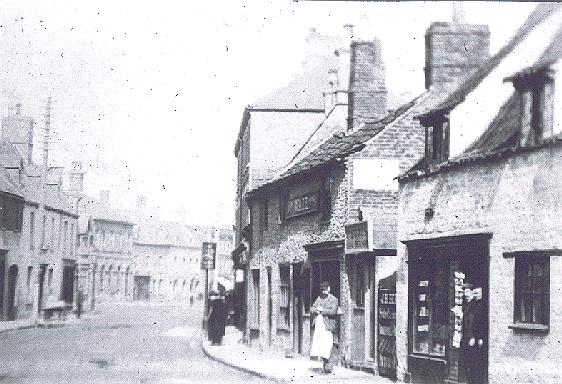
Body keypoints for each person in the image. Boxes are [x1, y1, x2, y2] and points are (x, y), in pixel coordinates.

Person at [310, 281, 339, 374]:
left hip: (328, 326)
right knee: (320, 346)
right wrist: (316, 310)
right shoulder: (319, 299)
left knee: (327, 345)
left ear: (329, 289)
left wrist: (322, 310)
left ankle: (328, 367)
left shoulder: (333, 299)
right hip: (319, 326)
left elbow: (333, 311)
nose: (324, 292)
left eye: (325, 290)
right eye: (322, 290)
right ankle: (325, 366)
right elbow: (311, 308)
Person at [462, 283, 486, 384]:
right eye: (475, 293)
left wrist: (476, 337)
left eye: (477, 293)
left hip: (476, 337)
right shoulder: (472, 304)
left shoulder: (481, 305)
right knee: (470, 361)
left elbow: (479, 322)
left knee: (475, 361)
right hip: (472, 337)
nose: (476, 295)